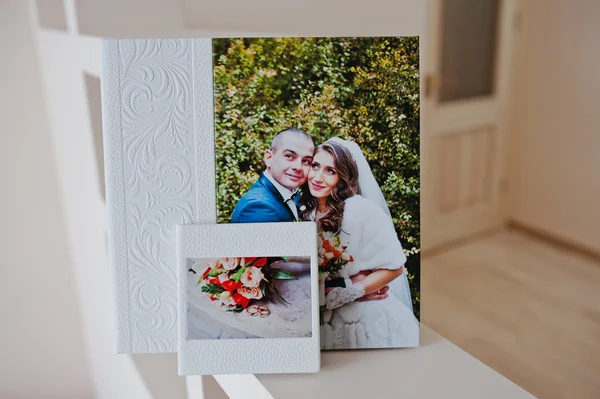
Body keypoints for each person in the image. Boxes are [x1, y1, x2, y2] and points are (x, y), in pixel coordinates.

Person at [299, 138, 419, 349]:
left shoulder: (361, 210)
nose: (318, 177)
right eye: (315, 166)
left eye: (330, 171)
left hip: (364, 319)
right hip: (318, 321)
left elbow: (394, 267)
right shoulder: (302, 213)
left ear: (342, 177)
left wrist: (350, 292)